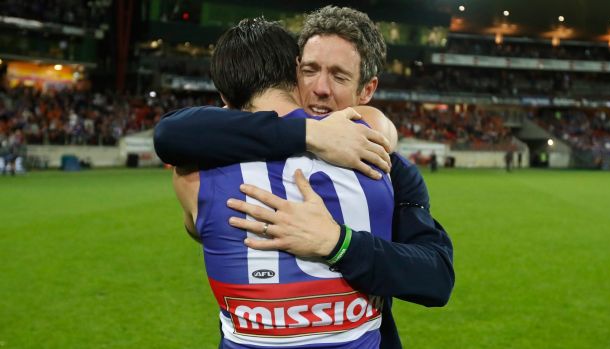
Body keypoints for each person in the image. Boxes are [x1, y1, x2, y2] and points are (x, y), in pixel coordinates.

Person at [155, 6, 454, 349]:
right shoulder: (222, 141)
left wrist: (337, 243)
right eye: (310, 70)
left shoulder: (384, 162)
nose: (319, 88)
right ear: (292, 70)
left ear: (366, 90)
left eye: (339, 76)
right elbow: (170, 134)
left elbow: (436, 276)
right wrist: (310, 133)